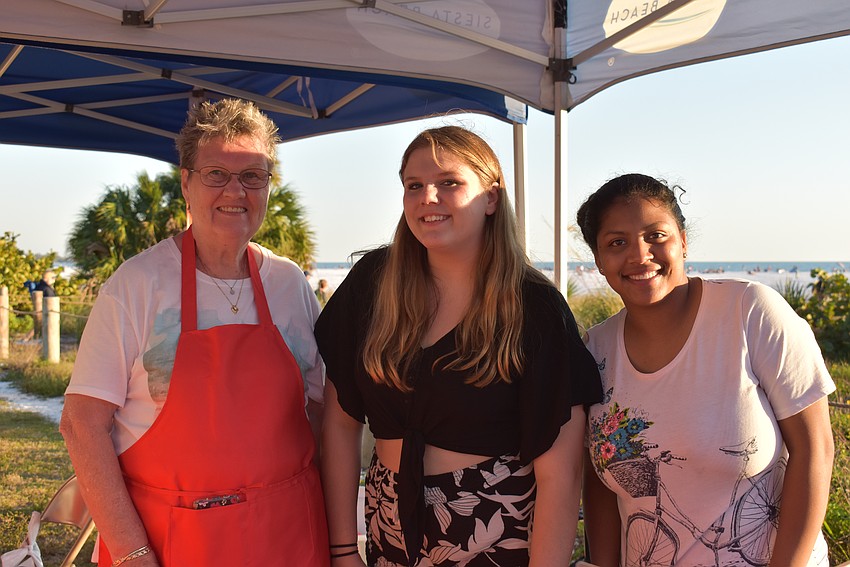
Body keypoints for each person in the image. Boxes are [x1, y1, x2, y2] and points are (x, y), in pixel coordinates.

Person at [315, 126, 602, 566]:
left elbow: (560, 477)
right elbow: (339, 421)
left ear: (490, 198)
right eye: (414, 185)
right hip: (388, 522)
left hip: (494, 527)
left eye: (449, 182)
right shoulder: (373, 283)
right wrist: (341, 550)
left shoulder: (533, 307)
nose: (428, 196)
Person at [60, 98, 329, 567]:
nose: (235, 190)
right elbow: (82, 424)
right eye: (216, 174)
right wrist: (131, 552)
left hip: (288, 536)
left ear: (268, 187)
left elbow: (324, 410)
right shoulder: (137, 284)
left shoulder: (290, 284)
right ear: (186, 182)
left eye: (253, 175)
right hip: (170, 542)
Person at [577, 173, 835, 566]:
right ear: (598, 260)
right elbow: (599, 485)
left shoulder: (750, 312)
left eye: (655, 236)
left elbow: (815, 449)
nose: (639, 255)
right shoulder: (595, 351)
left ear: (682, 239)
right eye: (617, 243)